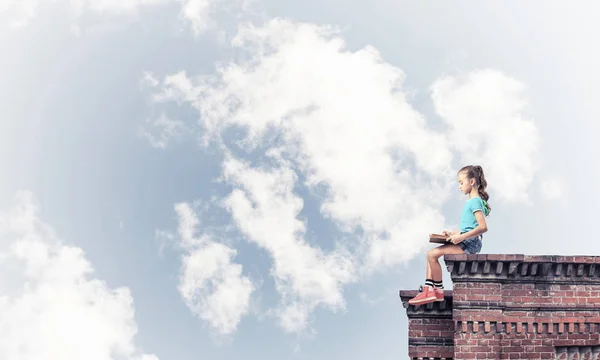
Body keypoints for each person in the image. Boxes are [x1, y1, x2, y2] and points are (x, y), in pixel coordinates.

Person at [408, 165, 491, 306]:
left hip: (470, 243)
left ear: (471, 182)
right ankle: (430, 289)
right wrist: (453, 234)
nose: (459, 186)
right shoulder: (472, 202)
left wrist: (461, 237)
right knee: (431, 254)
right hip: (467, 240)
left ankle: (437, 291)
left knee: (432, 255)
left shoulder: (475, 201)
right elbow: (469, 227)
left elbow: (483, 227)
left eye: (461, 182)